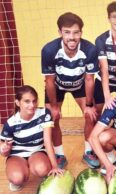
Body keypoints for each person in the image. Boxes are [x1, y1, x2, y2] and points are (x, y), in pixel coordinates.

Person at [41, 12, 99, 169]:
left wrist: (88, 104)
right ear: (60, 32)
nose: (71, 37)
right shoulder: (49, 50)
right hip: (57, 86)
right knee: (52, 119)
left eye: (76, 32)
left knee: (90, 115)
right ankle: (59, 154)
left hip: (80, 83)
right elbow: (49, 81)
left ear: (81, 32)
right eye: (67, 32)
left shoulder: (90, 49)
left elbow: (89, 79)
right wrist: (53, 107)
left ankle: (88, 152)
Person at [0, 85, 63, 191]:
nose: (32, 105)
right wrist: (4, 150)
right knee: (17, 178)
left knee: (42, 170)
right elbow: (4, 153)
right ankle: (20, 169)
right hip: (17, 155)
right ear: (18, 103)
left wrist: (55, 166)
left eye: (34, 101)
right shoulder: (10, 123)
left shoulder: (44, 114)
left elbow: (48, 142)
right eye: (27, 101)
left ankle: (34, 163)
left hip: (37, 151)